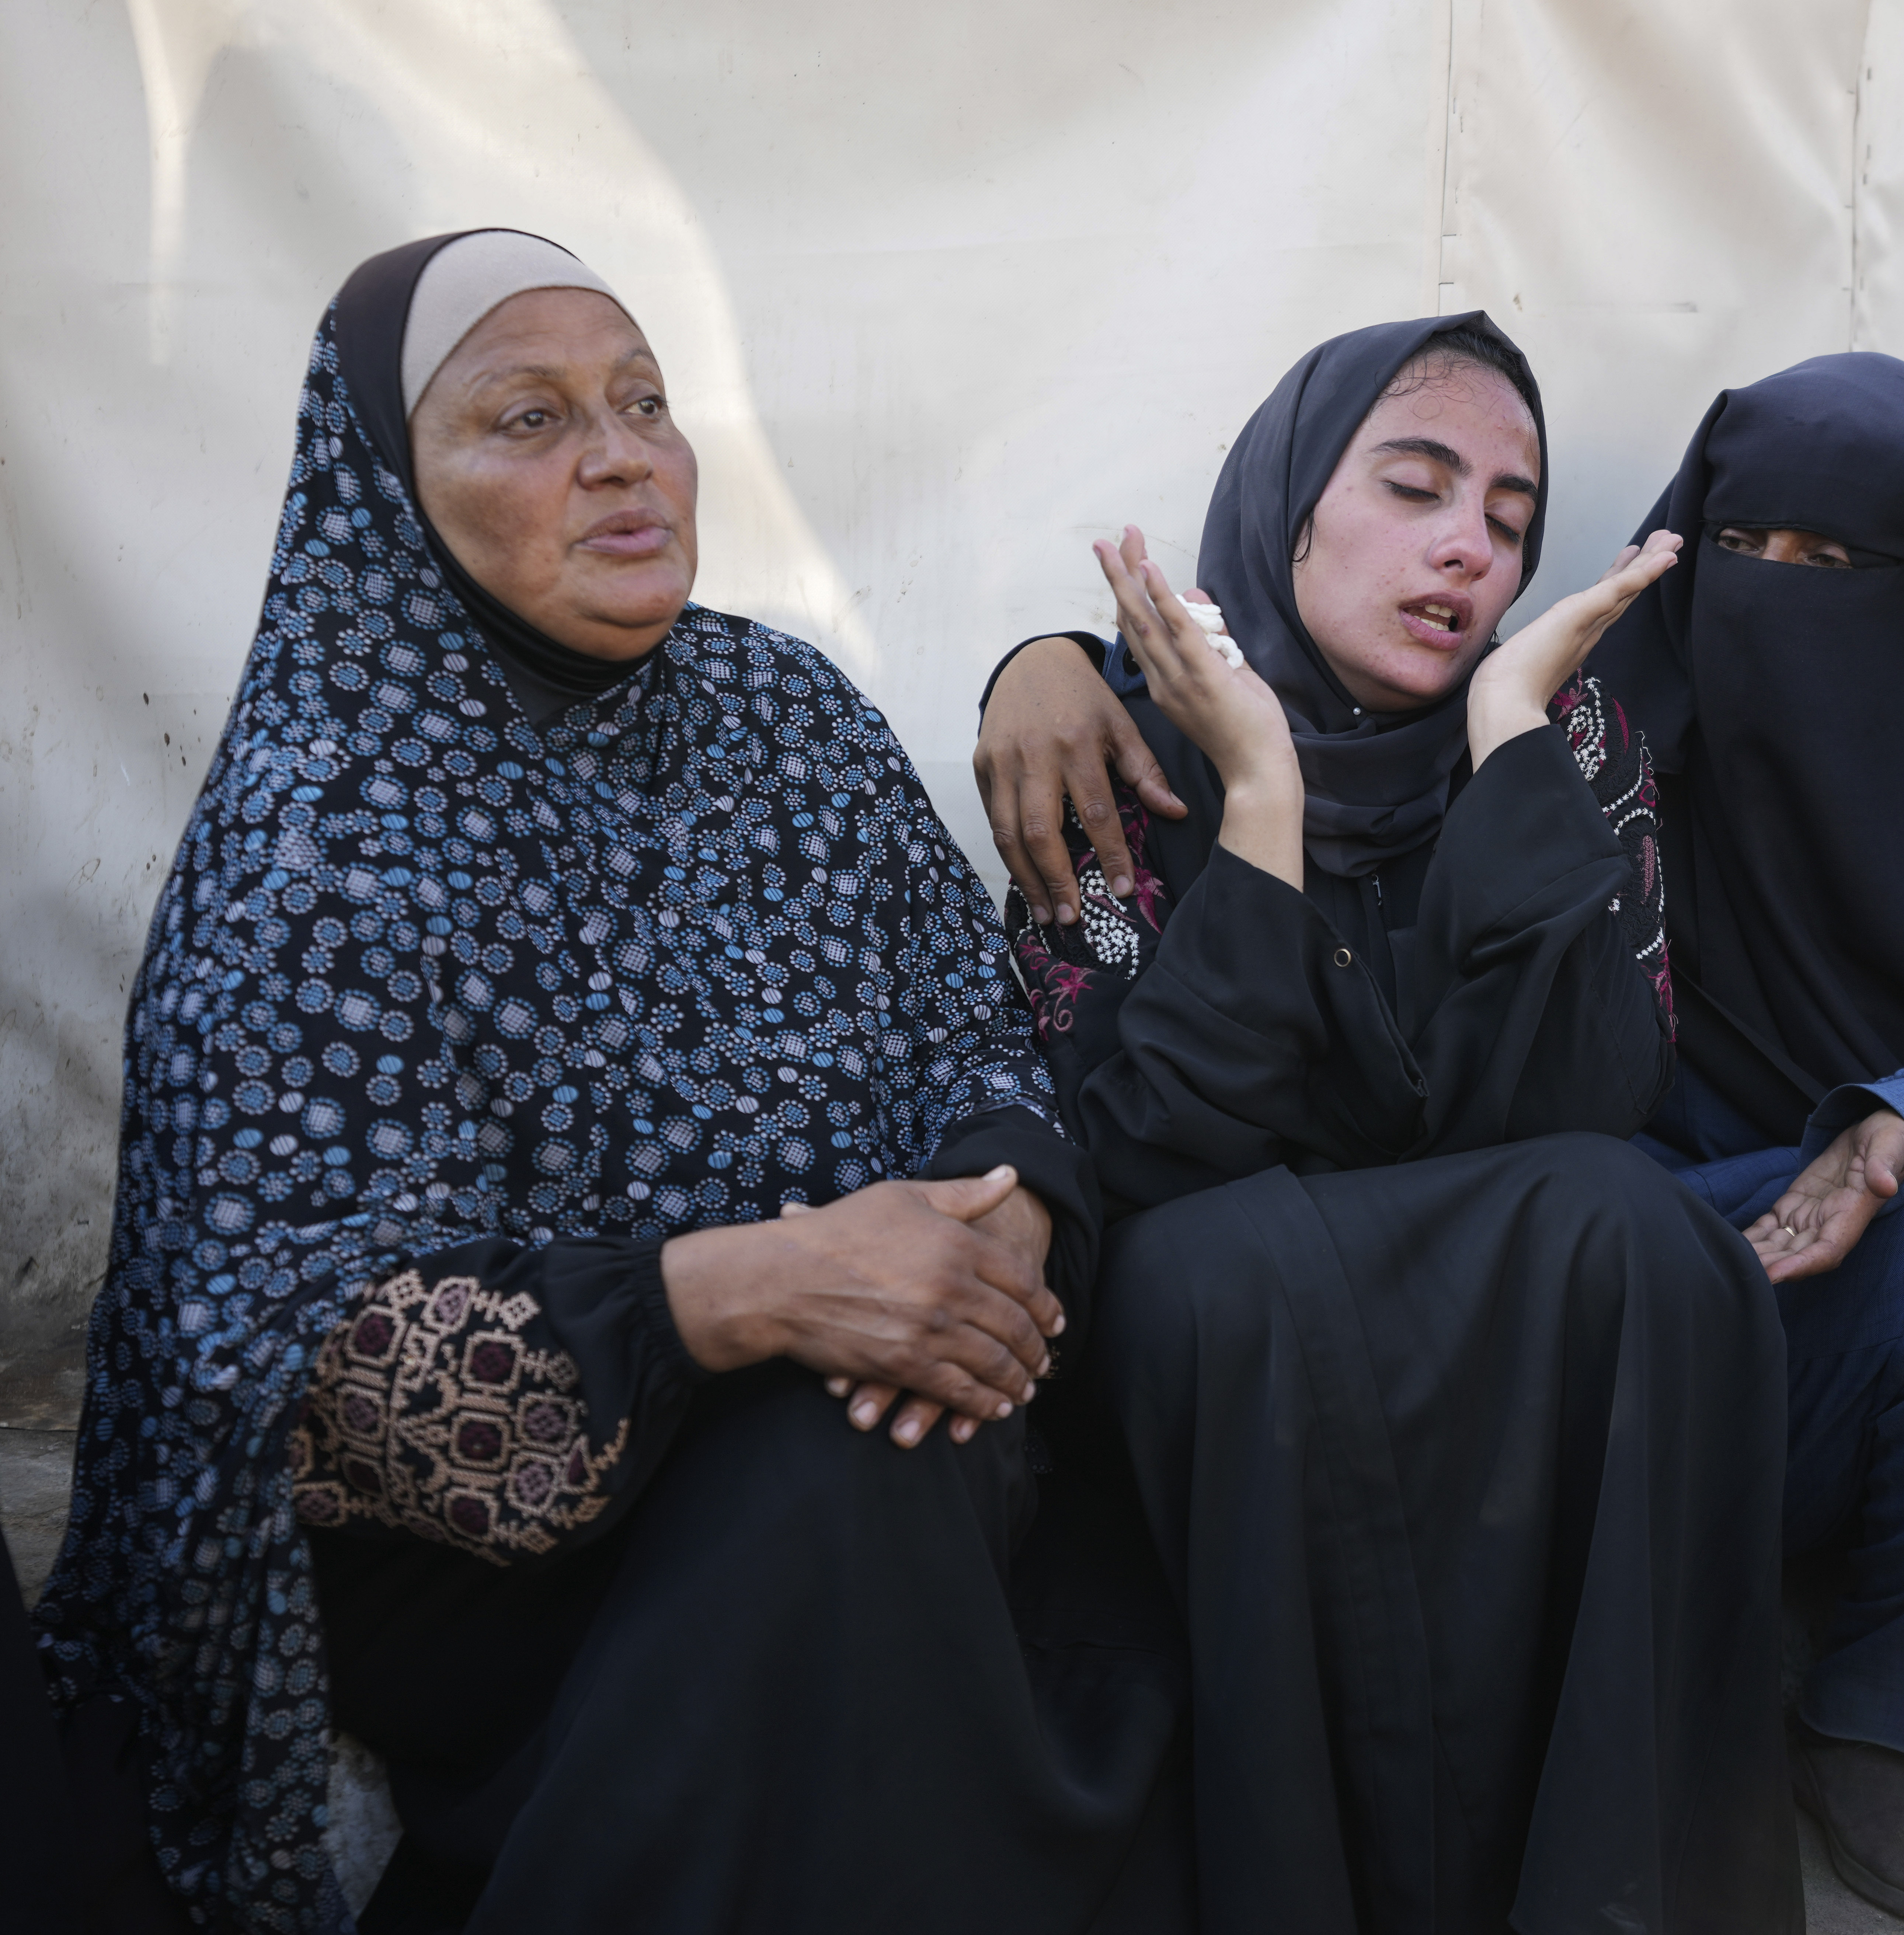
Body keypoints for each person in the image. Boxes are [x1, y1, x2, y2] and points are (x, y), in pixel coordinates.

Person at [982, 350, 1904, 1935]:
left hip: (1877, 1220)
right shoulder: (1618, 724)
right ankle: (1894, 1705)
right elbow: (1213, 1129)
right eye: (1749, 555)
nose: (1464, 545)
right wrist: (1051, 661)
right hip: (1683, 1250)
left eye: (1850, 567)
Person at [34, 230, 1179, 1933]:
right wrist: (748, 1290)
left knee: (893, 1452)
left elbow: (969, 1023)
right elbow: (276, 1369)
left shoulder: (779, 713)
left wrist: (996, 1216)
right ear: (388, 491)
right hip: (495, 1542)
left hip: (862, 1416)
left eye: (645, 399)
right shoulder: (322, 832)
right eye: (528, 419)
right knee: (844, 1476)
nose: (624, 452)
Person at [980, 315, 1800, 1931]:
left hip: (1462, 1248)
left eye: (1506, 518)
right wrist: (1263, 801)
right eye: (1414, 485)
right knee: (1233, 1275)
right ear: (1291, 508)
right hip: (1221, 1288)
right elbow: (1140, 1150)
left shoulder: (1569, 742)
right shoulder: (1120, 742)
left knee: (1646, 1235)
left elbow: (1579, 1104)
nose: (1463, 548)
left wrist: (1504, 743)